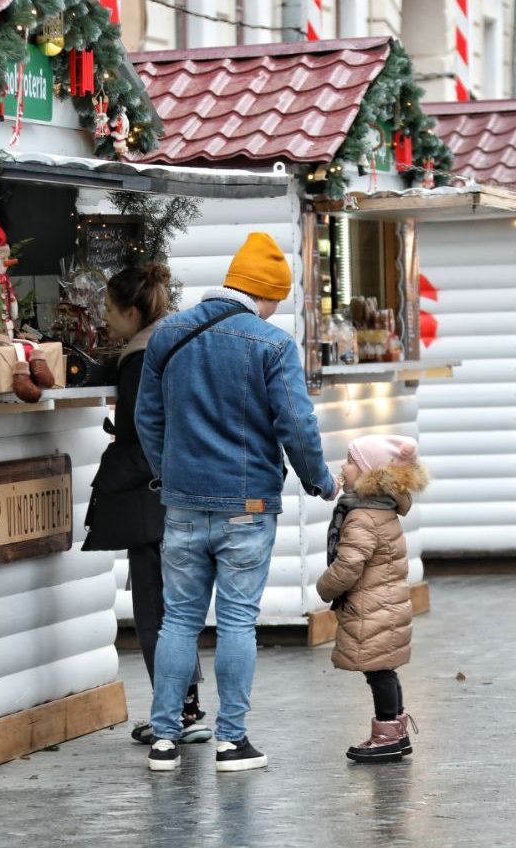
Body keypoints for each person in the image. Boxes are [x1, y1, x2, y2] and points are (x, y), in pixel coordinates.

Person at [135, 233, 340, 772]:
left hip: (181, 503)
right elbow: (295, 423)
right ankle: (231, 741)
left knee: (178, 619)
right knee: (236, 623)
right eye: (276, 301)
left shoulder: (169, 334)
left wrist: (170, 473)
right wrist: (320, 480)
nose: (274, 312)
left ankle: (163, 739)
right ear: (266, 295)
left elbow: (147, 419)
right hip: (246, 507)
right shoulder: (272, 345)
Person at [83, 263, 211, 744]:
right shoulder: (175, 339)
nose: (106, 321)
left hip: (152, 497)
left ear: (132, 311)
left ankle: (171, 713)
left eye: (110, 312)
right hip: (186, 489)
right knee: (176, 606)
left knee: (156, 607)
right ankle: (186, 707)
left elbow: (139, 432)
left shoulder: (141, 357)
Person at [315, 435, 428, 764]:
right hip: (384, 605)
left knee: (379, 672)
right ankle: (397, 730)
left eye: (350, 461)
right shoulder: (380, 509)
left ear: (370, 474)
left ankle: (387, 737)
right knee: (384, 670)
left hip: (374, 607)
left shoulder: (364, 516)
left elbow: (350, 564)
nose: (343, 466)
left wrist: (325, 588)